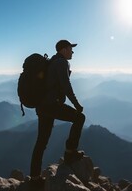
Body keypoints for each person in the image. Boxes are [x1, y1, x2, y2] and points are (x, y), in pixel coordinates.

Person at [29, 39, 86, 188]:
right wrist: (77, 104)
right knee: (79, 118)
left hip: (43, 107)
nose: (72, 52)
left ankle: (35, 179)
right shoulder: (61, 63)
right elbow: (66, 86)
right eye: (70, 48)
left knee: (41, 142)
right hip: (51, 105)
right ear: (63, 49)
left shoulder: (53, 61)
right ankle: (70, 152)